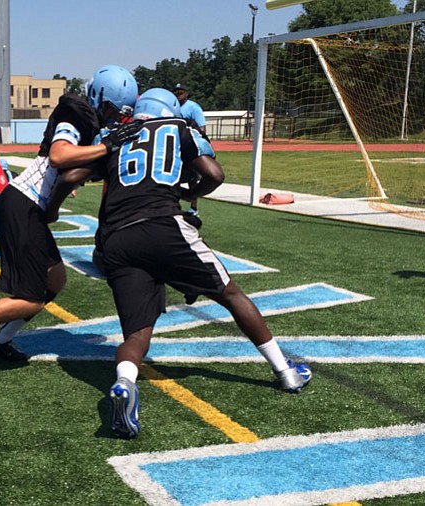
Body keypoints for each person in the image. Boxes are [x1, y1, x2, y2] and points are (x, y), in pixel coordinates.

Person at [52, 88, 312, 439]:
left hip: (117, 239)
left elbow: (69, 177)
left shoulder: (114, 135)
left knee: (137, 333)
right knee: (231, 295)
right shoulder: (177, 126)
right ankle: (285, 372)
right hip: (163, 225)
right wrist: (189, 192)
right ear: (172, 110)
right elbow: (215, 174)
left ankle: (125, 382)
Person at [0, 65, 140, 376]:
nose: (114, 119)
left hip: (29, 205)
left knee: (55, 281)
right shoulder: (75, 115)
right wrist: (105, 147)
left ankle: (1, 341)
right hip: (23, 204)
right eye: (113, 111)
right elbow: (59, 156)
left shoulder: (88, 118)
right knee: (30, 298)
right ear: (99, 99)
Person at [173, 83, 207, 216]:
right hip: (176, 146)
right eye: (176, 92)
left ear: (187, 93)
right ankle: (175, 205)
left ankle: (193, 208)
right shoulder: (172, 107)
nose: (178, 94)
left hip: (188, 146)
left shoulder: (193, 107)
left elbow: (202, 129)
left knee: (193, 179)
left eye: (181, 92)